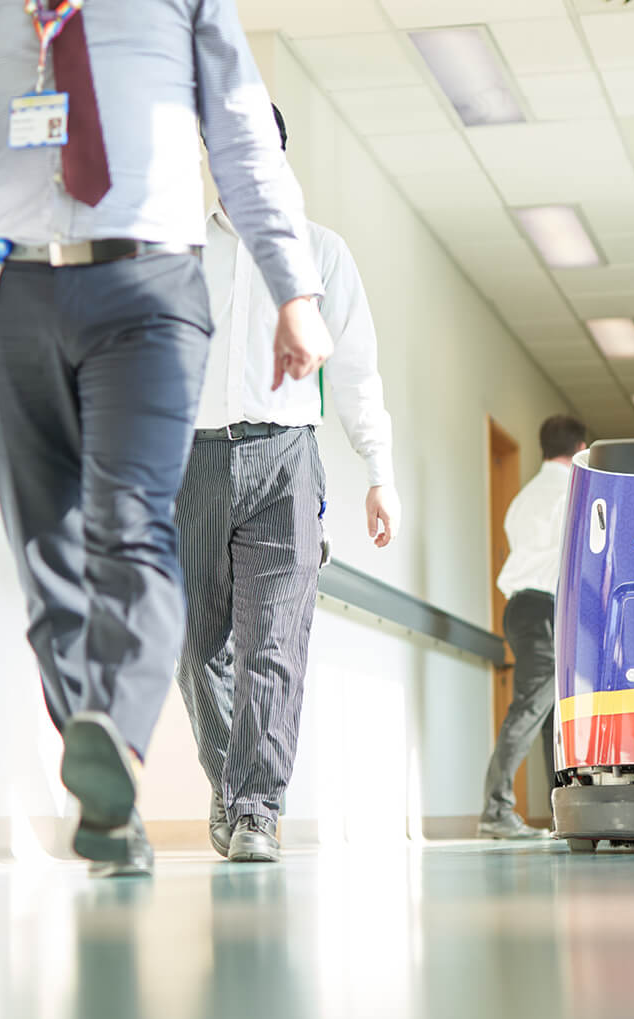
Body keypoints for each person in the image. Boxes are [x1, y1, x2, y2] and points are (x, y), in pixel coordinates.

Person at [0, 0, 333, 878]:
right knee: (45, 545)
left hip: (150, 287)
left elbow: (241, 134)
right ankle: (107, 789)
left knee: (131, 527)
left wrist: (296, 289)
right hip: (8, 288)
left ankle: (119, 751)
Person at [177, 105, 400, 863]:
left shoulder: (321, 253)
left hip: (286, 459)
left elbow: (359, 370)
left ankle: (257, 809)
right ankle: (234, 784)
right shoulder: (179, 249)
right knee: (195, 645)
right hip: (193, 460)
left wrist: (381, 473)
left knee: (274, 644)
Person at [478, 415, 587, 840]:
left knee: (548, 715)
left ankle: (560, 811)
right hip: (544, 608)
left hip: (519, 607)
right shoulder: (572, 490)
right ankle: (496, 808)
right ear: (580, 449)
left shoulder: (523, 497)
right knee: (531, 708)